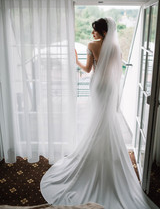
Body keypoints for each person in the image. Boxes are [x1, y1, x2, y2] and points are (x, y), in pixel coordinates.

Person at [40, 18, 159, 209]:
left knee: (97, 120)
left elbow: (87, 69)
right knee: (106, 120)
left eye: (95, 30)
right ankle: (105, 151)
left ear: (102, 32)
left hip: (97, 86)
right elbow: (117, 73)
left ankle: (94, 151)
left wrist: (76, 59)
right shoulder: (116, 49)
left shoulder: (91, 45)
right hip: (109, 88)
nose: (92, 33)